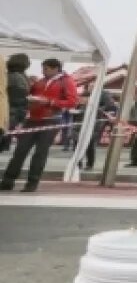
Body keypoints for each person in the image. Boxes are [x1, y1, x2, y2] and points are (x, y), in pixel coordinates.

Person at [1, 58, 79, 192]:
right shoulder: (41, 81)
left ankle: (32, 182)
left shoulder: (66, 81)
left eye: (46, 69)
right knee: (20, 150)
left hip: (51, 119)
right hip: (33, 119)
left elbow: (72, 101)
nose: (43, 72)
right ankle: (8, 181)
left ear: (56, 69)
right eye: (43, 69)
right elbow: (31, 94)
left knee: (40, 153)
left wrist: (50, 102)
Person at [1, 54, 30, 153]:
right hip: (11, 114)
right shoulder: (17, 77)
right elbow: (16, 99)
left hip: (10, 113)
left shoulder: (8, 75)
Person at [83, 90, 118, 170]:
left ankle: (89, 163)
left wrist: (99, 110)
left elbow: (110, 107)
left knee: (90, 143)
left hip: (96, 121)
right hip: (84, 121)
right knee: (80, 142)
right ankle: (79, 163)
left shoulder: (104, 94)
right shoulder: (86, 94)